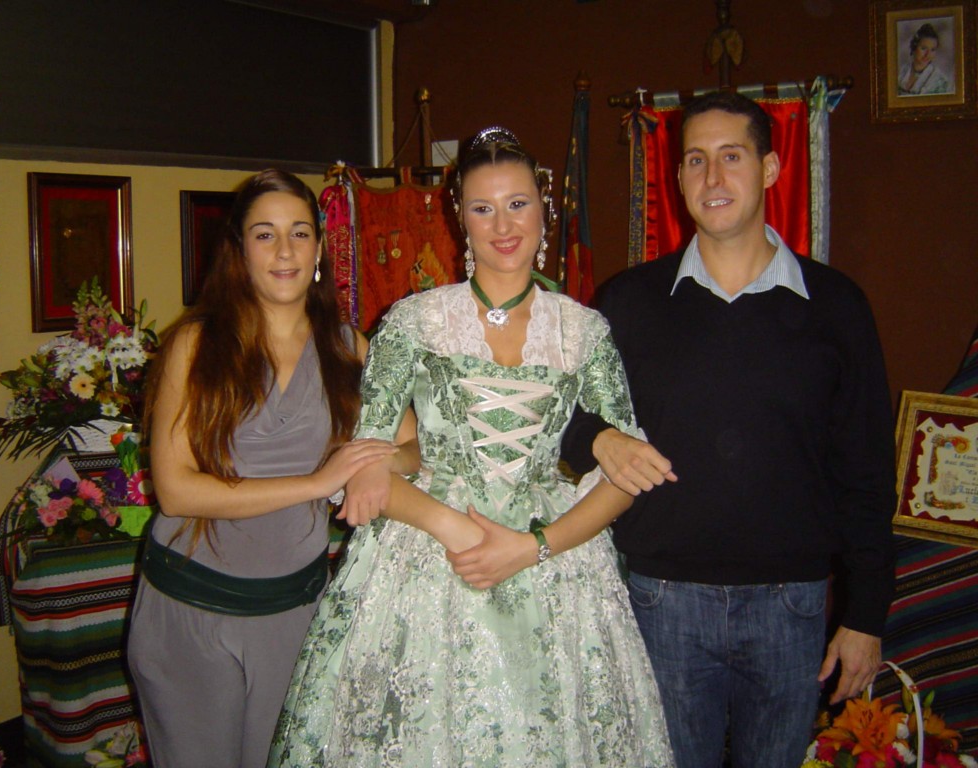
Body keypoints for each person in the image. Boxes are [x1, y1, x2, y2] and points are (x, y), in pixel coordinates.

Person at [268, 129, 674, 767]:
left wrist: (536, 546)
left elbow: (627, 475)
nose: (503, 226)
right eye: (483, 208)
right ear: (461, 219)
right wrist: (454, 527)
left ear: (544, 210)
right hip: (428, 562)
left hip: (555, 568)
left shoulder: (584, 331)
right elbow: (368, 465)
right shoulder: (414, 322)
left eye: (518, 204)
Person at [561, 91, 897, 767]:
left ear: (770, 169)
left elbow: (866, 471)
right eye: (695, 160)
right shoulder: (628, 302)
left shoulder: (836, 307)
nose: (712, 177)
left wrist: (865, 615)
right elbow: (561, 419)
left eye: (731, 157)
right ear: (678, 177)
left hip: (791, 607)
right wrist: (600, 437)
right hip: (661, 603)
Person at [127, 169, 414, 768]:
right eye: (265, 234)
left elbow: (418, 448)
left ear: (319, 248)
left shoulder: (351, 350)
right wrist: (319, 482)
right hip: (191, 611)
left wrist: (373, 465)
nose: (285, 251)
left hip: (294, 614)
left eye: (299, 233)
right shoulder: (196, 345)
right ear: (239, 249)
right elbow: (176, 491)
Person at [898, 22, 952, 95]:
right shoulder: (901, 73)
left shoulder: (940, 81)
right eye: (923, 48)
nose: (928, 54)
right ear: (914, 47)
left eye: (932, 50)